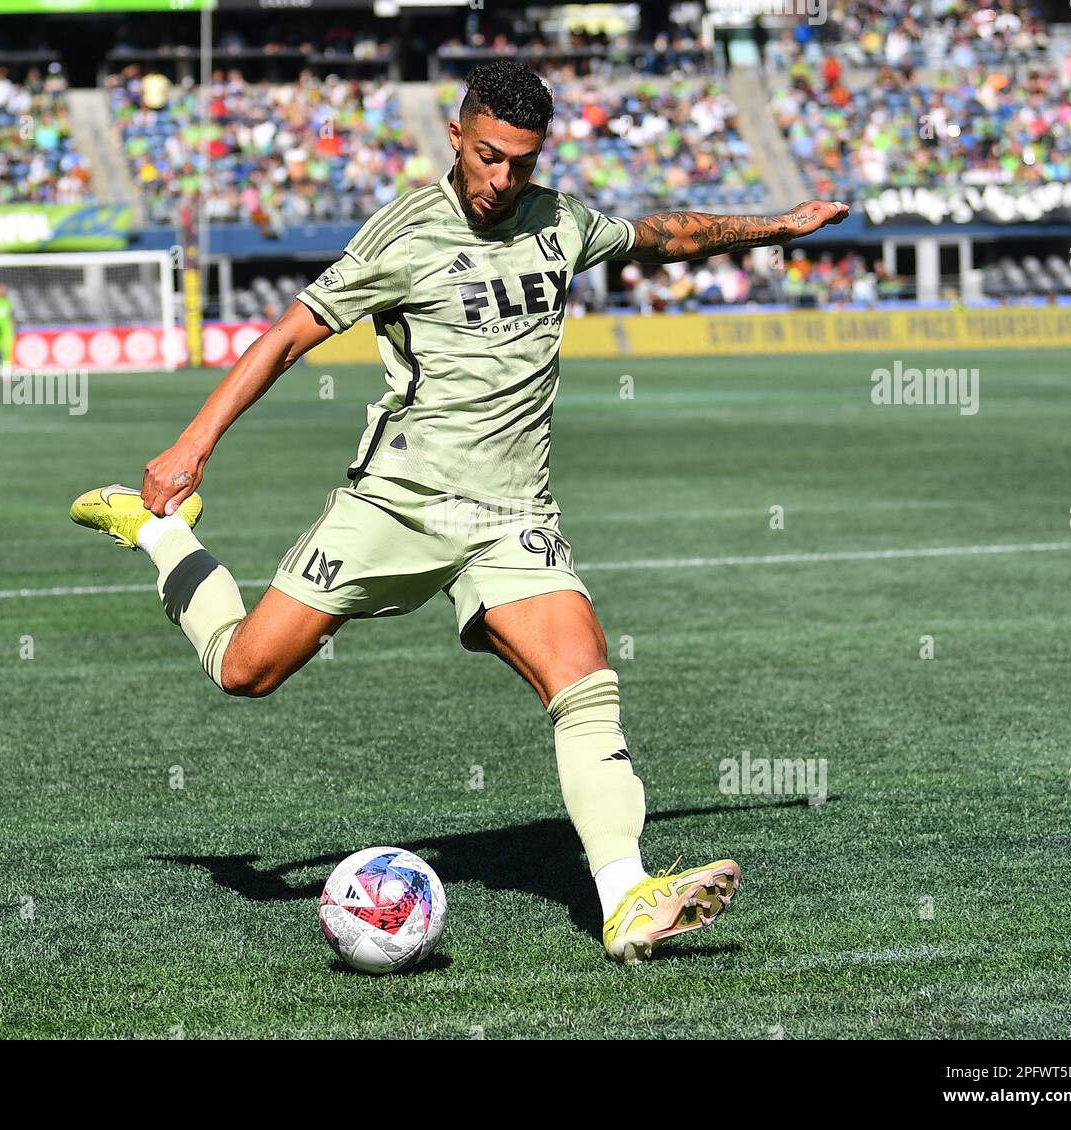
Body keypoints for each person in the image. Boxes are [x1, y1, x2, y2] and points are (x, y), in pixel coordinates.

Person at [69, 60, 848, 964]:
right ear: (457, 135)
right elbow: (289, 336)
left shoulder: (559, 221)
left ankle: (626, 897)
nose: (500, 181)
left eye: (519, 163)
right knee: (247, 670)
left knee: (585, 684)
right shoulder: (405, 231)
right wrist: (194, 444)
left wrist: (778, 226)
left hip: (513, 514)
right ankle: (158, 531)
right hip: (397, 503)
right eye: (486, 158)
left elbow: (664, 236)